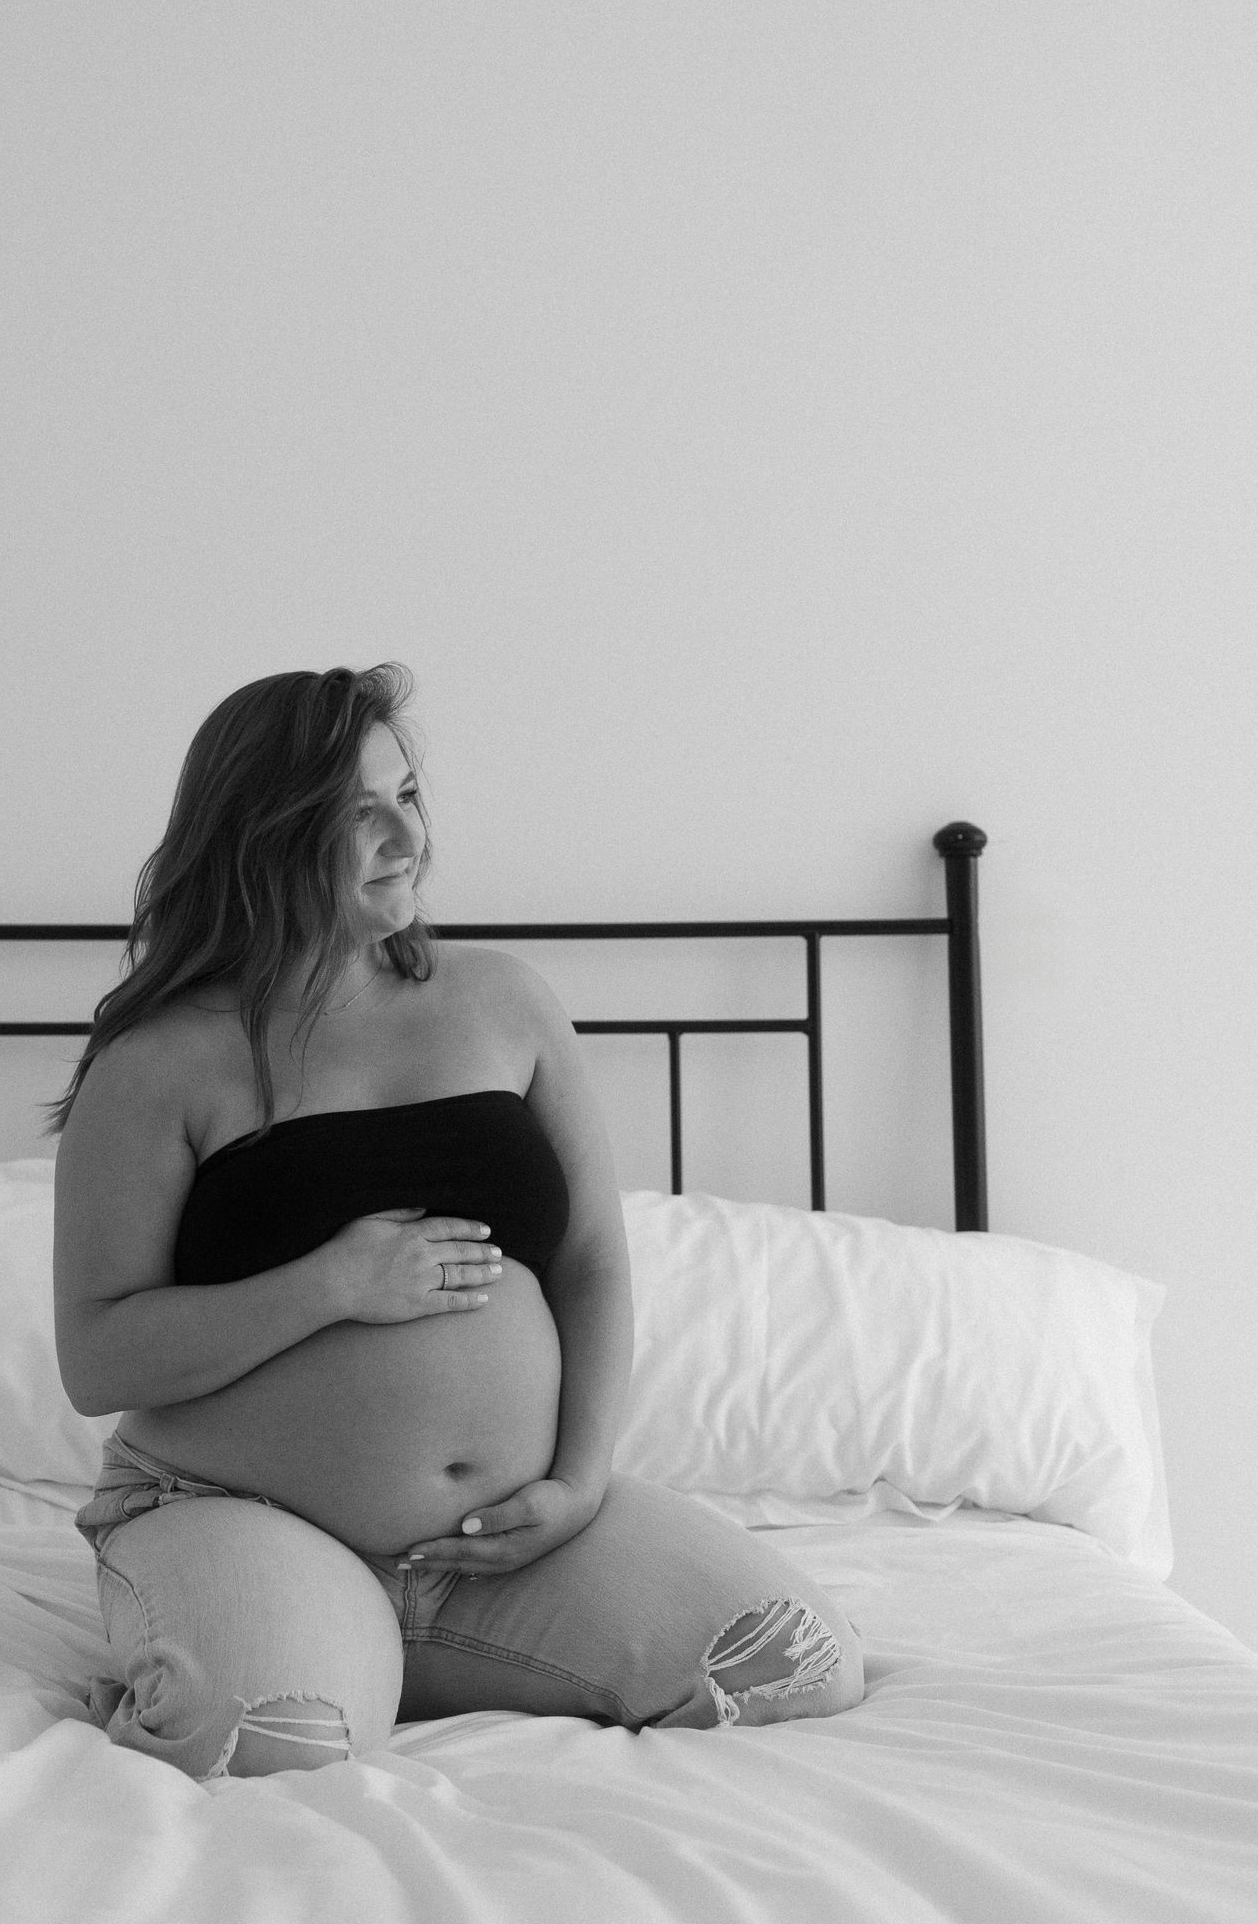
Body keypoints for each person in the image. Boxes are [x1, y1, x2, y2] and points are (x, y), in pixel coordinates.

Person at [51, 663, 865, 1780]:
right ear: (259, 839)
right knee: (267, 1735)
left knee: (793, 1666)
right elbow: (98, 1354)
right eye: (354, 813)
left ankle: (376, 1651)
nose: (404, 835)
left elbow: (588, 1260)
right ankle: (301, 1642)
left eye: (409, 795)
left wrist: (578, 1482)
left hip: (502, 1540)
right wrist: (328, 1286)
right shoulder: (160, 1066)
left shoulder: (504, 1002)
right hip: (241, 1508)